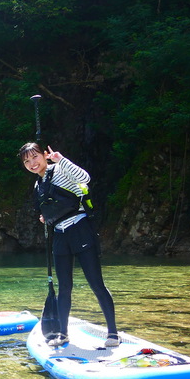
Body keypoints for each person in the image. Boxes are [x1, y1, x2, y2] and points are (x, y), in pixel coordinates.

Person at [19, 142, 119, 348]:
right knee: (64, 287)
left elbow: (85, 179)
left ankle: (113, 334)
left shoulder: (61, 169)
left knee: (96, 284)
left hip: (80, 228)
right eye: (27, 161)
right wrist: (45, 218)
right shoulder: (38, 185)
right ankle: (63, 334)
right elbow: (50, 208)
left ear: (45, 155)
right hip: (60, 235)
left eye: (35, 157)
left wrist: (61, 160)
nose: (32, 163)